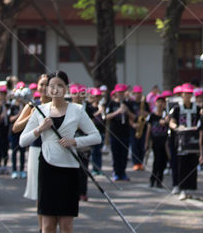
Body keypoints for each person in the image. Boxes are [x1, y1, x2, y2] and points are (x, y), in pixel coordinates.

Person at [19, 70, 101, 233]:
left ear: (66, 88)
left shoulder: (76, 109)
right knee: (48, 225)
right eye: (52, 86)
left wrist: (75, 141)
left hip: (69, 169)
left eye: (60, 86)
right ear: (47, 89)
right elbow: (22, 141)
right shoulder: (40, 110)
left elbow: (96, 136)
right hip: (47, 169)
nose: (55, 89)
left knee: (66, 224)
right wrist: (40, 129)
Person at [13, 73, 50, 208]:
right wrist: (31, 116)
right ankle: (42, 228)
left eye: (47, 85)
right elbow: (16, 127)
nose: (44, 88)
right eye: (41, 84)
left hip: (54, 149)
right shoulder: (32, 105)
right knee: (39, 193)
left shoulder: (57, 105)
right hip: (36, 149)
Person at [170, 82, 201, 199]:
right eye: (185, 94)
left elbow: (200, 121)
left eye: (189, 94)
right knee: (181, 164)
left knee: (192, 164)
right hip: (181, 141)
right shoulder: (177, 108)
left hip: (193, 140)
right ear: (182, 95)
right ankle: (182, 188)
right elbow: (172, 122)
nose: (187, 96)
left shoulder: (197, 108)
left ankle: (191, 189)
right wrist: (177, 127)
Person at [105, 84, 134, 181]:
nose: (121, 94)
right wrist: (117, 112)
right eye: (119, 92)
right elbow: (106, 117)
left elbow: (134, 117)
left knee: (124, 154)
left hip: (125, 132)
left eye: (122, 92)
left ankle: (123, 172)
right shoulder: (111, 103)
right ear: (116, 93)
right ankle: (116, 172)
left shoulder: (128, 104)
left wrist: (127, 111)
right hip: (114, 133)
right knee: (115, 153)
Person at [145, 92, 171, 188]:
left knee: (163, 162)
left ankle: (159, 180)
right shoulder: (152, 116)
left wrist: (167, 121)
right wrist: (146, 142)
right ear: (155, 103)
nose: (160, 104)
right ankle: (153, 179)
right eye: (158, 102)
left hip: (164, 142)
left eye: (162, 102)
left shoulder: (166, 116)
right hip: (155, 141)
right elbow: (148, 129)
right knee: (156, 161)